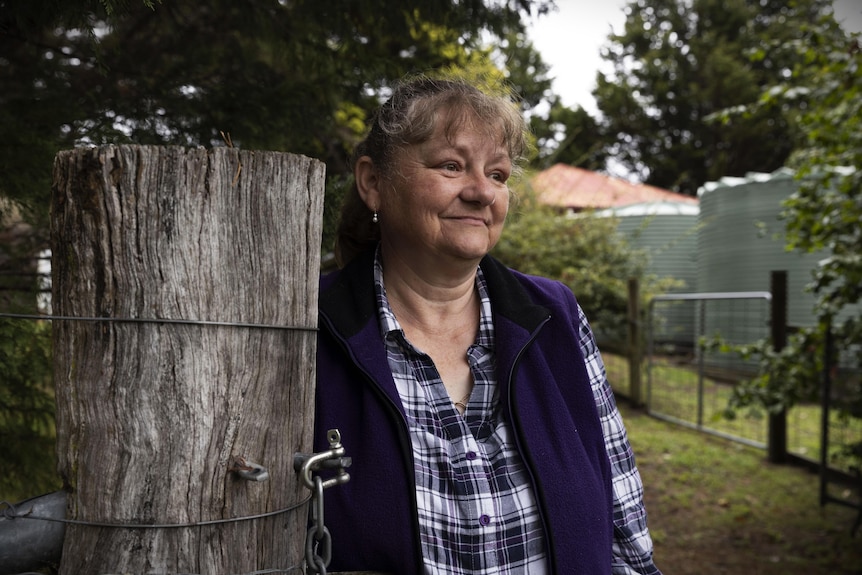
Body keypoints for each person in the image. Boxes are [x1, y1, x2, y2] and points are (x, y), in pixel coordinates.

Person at [313, 75, 661, 575]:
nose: (481, 192)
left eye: (497, 174)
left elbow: (625, 531)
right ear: (373, 183)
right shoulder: (312, 327)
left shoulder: (554, 315)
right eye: (451, 166)